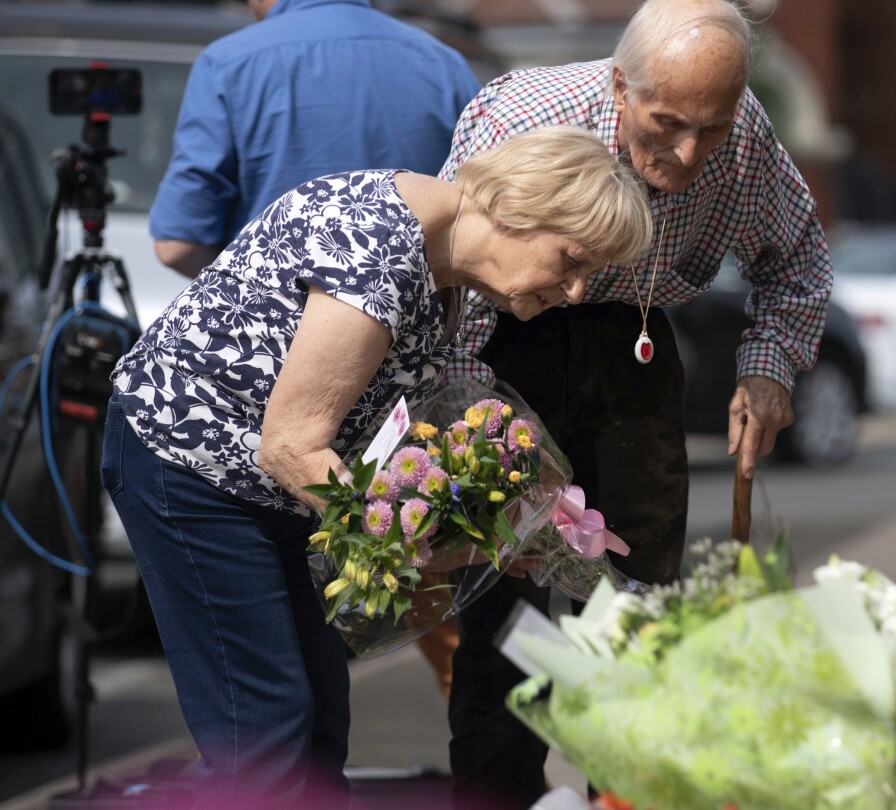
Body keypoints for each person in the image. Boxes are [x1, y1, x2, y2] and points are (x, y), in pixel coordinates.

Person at [101, 126, 652, 808]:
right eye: (570, 261)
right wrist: (425, 549)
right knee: (265, 735)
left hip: (270, 491)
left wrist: (516, 521)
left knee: (321, 731)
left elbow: (422, 403)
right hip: (189, 466)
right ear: (516, 209)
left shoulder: (445, 269)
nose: (574, 291)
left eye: (588, 275)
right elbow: (291, 446)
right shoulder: (381, 248)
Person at [438, 0, 833, 805]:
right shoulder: (527, 116)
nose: (689, 153)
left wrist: (768, 368)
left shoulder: (744, 133)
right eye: (666, 124)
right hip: (506, 345)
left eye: (711, 129)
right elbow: (452, 285)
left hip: (636, 349)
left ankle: (621, 795)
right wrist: (461, 424)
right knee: (507, 623)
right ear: (621, 87)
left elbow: (797, 261)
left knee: (633, 614)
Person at [149, 0, 480, 279]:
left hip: (268, 340)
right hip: (411, 336)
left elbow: (178, 245)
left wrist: (259, 294)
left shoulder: (229, 61)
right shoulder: (445, 64)